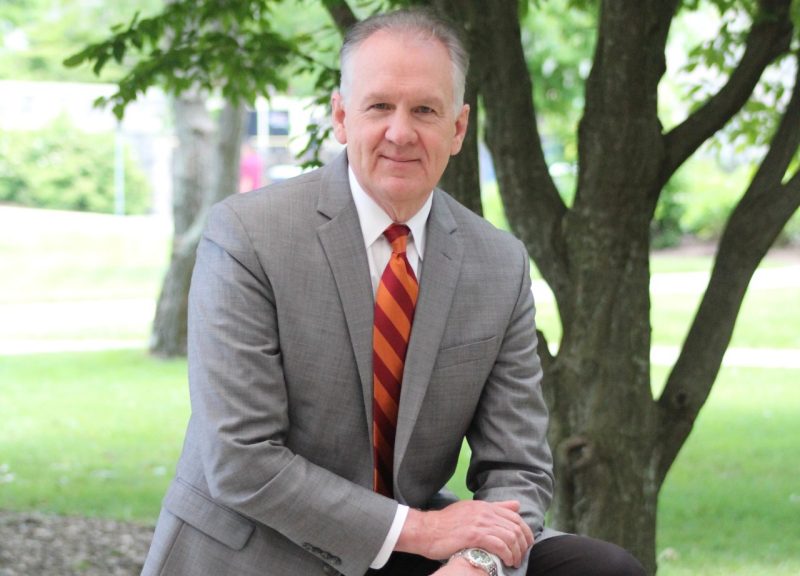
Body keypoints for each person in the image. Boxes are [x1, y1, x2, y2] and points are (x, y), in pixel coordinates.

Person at [141, 8, 646, 576]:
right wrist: (426, 531)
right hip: (263, 548)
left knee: (603, 569)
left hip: (415, 552)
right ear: (341, 116)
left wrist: (477, 562)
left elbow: (519, 467)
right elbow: (241, 461)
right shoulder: (248, 235)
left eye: (425, 110)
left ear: (457, 129)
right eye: (379, 106)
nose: (400, 133)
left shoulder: (497, 262)